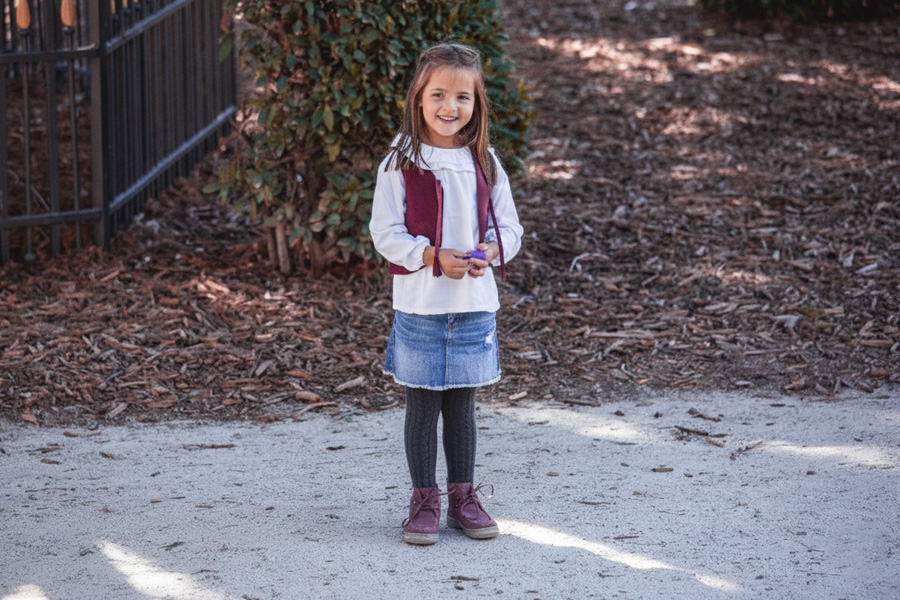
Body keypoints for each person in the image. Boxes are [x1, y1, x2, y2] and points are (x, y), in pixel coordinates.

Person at [369, 43, 523, 545]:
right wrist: (433, 256)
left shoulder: (486, 161)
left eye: (463, 97)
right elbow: (385, 232)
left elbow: (511, 231)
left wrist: (488, 251)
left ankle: (462, 499)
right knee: (422, 404)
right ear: (418, 98)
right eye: (439, 94)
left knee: (462, 405)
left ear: (477, 103)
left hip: (475, 306)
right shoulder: (401, 160)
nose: (449, 107)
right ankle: (424, 500)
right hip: (421, 305)